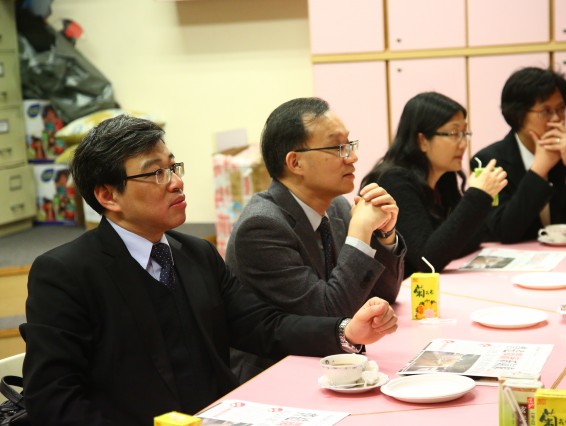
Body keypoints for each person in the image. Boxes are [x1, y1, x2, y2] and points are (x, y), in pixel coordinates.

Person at [20, 115, 399, 425]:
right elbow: (54, 399)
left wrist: (345, 332)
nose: (176, 182)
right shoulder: (67, 273)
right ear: (108, 195)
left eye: (173, 167)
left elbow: (262, 326)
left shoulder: (194, 253)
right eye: (156, 173)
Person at [225, 97, 406, 382]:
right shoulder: (262, 227)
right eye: (338, 147)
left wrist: (385, 234)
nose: (353, 157)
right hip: (278, 376)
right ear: (295, 162)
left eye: (350, 145)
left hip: (334, 365)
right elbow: (330, 315)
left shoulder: (337, 207)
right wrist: (360, 233)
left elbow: (383, 296)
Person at [360, 92, 507, 275]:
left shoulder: (444, 178)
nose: (463, 144)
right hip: (397, 289)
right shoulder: (394, 181)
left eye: (465, 133)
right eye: (454, 133)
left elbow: (471, 238)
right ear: (422, 141)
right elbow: (427, 260)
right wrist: (477, 195)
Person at [472, 67, 566, 243]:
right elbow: (503, 231)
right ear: (518, 115)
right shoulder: (489, 162)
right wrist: (538, 170)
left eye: (561, 109)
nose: (557, 118)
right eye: (546, 111)